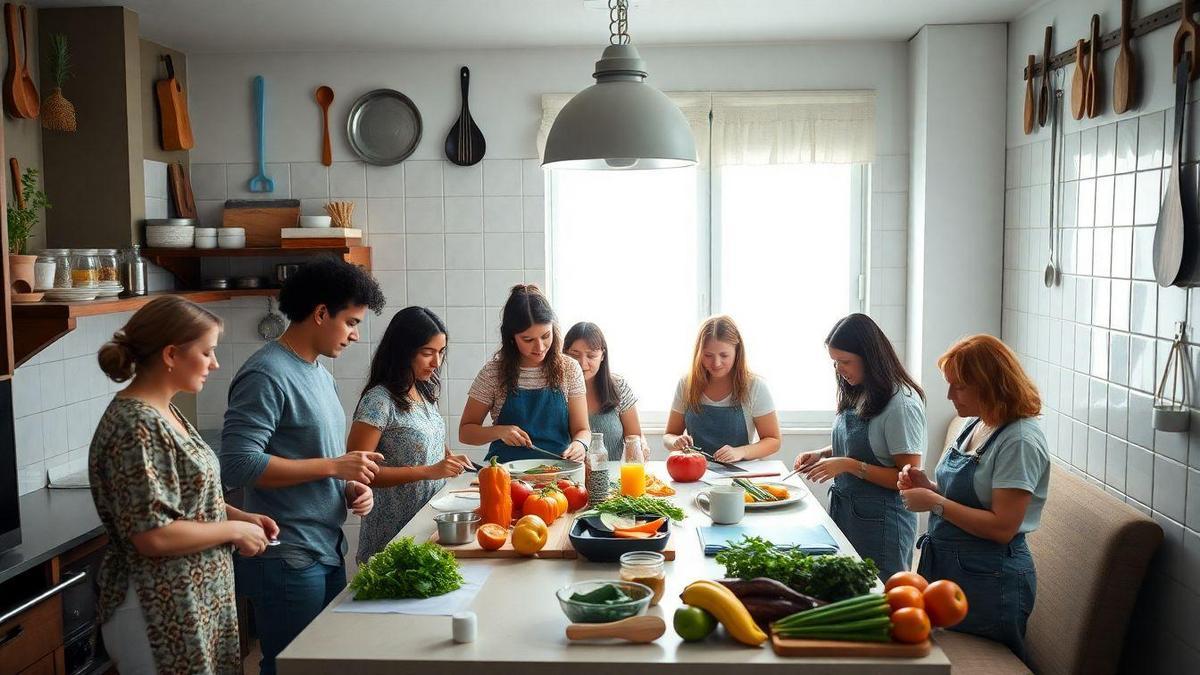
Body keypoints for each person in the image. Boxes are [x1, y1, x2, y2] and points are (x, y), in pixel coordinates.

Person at [90, 296, 277, 674]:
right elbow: (153, 536)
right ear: (172, 355)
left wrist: (243, 517)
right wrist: (234, 530)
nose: (215, 363)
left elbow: (187, 502)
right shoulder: (136, 425)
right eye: (207, 352)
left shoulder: (166, 411)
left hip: (192, 599)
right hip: (158, 606)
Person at [219, 257, 386, 675]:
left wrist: (349, 486)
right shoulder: (267, 373)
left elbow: (315, 458)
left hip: (324, 549)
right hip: (287, 556)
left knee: (321, 665)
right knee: (292, 669)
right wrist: (332, 468)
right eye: (350, 322)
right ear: (321, 313)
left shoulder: (319, 373)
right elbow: (238, 463)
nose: (355, 334)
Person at [899, 334, 1049, 659]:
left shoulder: (1019, 441)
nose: (950, 395)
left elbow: (1001, 527)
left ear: (992, 384)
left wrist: (936, 503)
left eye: (960, 386)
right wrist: (929, 487)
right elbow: (972, 500)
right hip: (952, 570)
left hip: (989, 580)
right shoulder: (977, 423)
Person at [794, 313, 927, 580]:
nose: (839, 370)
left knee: (879, 603)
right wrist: (822, 454)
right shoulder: (859, 389)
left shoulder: (901, 404)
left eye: (845, 362)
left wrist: (848, 465)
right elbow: (866, 447)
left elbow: (909, 477)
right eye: (835, 363)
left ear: (870, 357)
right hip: (850, 515)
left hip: (883, 526)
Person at [346, 306, 474, 562]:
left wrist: (447, 457)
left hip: (428, 524)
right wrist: (429, 470)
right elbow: (357, 470)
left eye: (441, 352)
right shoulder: (378, 401)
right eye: (428, 353)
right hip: (393, 532)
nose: (436, 363)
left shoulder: (424, 392)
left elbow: (421, 444)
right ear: (403, 351)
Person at [459, 284, 590, 463]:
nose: (540, 347)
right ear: (511, 337)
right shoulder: (493, 373)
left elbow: (582, 429)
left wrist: (580, 444)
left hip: (560, 471)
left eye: (546, 336)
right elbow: (465, 432)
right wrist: (499, 431)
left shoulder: (569, 368)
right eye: (528, 339)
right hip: (506, 475)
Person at [663, 315, 780, 462]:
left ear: (737, 352)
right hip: (695, 473)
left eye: (724, 355)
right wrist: (675, 442)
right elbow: (669, 435)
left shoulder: (755, 386)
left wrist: (741, 451)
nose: (716, 363)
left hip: (740, 474)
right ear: (699, 354)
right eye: (708, 355)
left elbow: (773, 441)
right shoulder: (686, 384)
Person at [564, 321, 648, 460]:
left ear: (602, 356)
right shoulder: (555, 390)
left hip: (614, 477)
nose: (582, 363)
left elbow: (634, 435)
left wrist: (640, 446)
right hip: (570, 479)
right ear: (564, 354)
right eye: (575, 355)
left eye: (591, 356)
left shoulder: (619, 386)